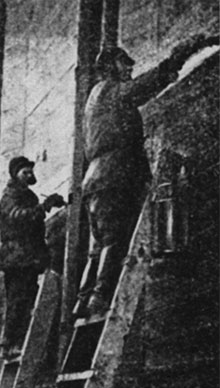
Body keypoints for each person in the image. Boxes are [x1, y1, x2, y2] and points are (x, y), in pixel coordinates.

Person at [73, 36, 212, 318]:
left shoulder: (93, 99)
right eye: (124, 63)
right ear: (110, 66)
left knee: (98, 246)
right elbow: (147, 84)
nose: (130, 68)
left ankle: (83, 300)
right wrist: (178, 57)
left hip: (94, 180)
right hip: (115, 175)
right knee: (114, 240)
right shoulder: (112, 91)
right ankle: (100, 297)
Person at [0, 156, 66, 359]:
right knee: (17, 301)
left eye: (30, 172)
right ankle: (8, 345)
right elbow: (18, 217)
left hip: (28, 258)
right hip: (17, 258)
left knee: (26, 301)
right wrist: (43, 207)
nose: (29, 176)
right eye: (24, 172)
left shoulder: (28, 195)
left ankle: (16, 343)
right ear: (15, 174)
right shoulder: (10, 196)